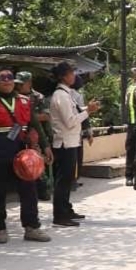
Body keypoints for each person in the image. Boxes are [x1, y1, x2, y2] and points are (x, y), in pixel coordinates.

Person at [0, 67, 51, 244]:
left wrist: (45, 145)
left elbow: (35, 125)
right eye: (1, 77)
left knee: (29, 191)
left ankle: (32, 227)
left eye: (10, 77)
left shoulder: (25, 101)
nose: (7, 80)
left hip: (23, 153)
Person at [50, 62, 100, 226]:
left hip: (71, 142)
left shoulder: (67, 94)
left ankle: (66, 209)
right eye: (71, 73)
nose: (74, 76)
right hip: (65, 143)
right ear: (64, 76)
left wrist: (87, 108)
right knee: (63, 181)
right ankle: (60, 215)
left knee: (68, 179)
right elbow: (70, 121)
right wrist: (88, 112)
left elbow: (74, 112)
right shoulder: (61, 96)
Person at [15, 71, 53, 201]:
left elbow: (46, 116)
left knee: (38, 164)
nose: (19, 86)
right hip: (20, 135)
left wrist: (27, 117)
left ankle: (44, 190)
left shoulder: (38, 97)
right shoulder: (15, 97)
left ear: (29, 83)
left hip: (37, 135)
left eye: (22, 84)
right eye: (17, 84)